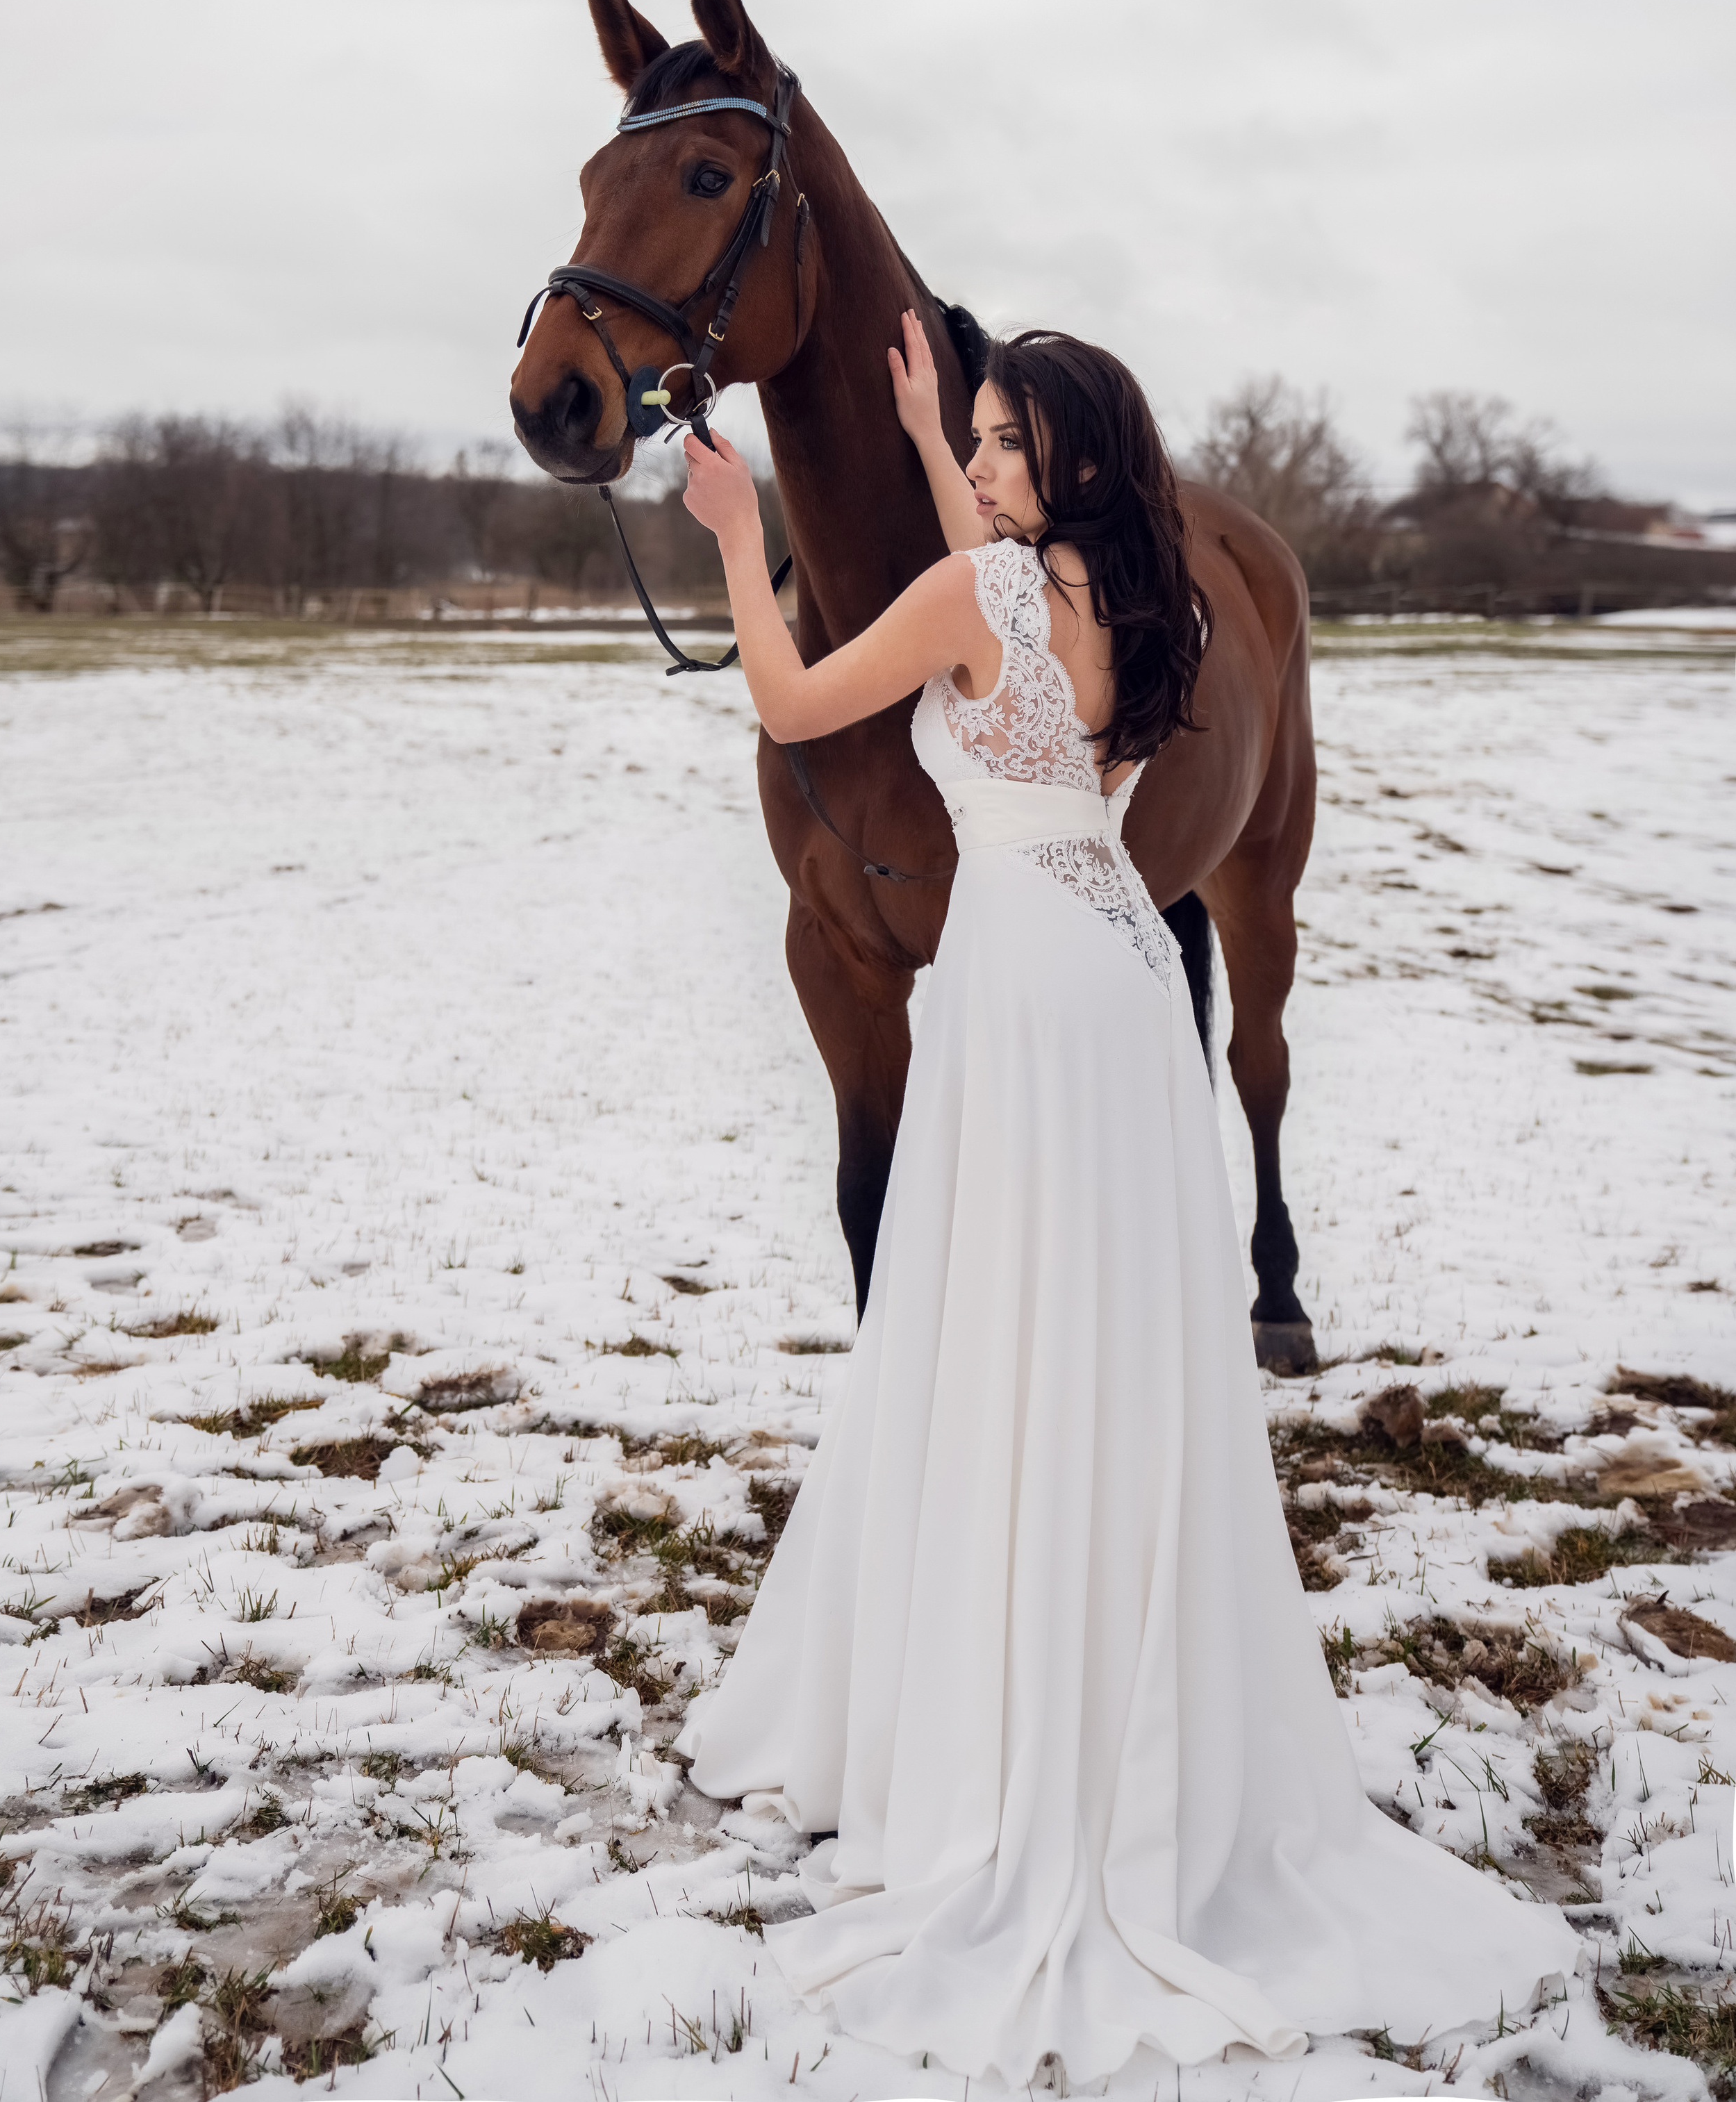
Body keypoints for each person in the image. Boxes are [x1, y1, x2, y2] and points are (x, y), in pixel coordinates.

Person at [672, 314, 1579, 2091]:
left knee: (997, 1332)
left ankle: (1005, 1715)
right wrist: (927, 431)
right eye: (977, 440)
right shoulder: (1140, 595)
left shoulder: (976, 596)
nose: (980, 465)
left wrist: (730, 528)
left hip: (1019, 1004)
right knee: (1101, 1353)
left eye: (1004, 441)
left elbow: (790, 699)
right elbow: (999, 594)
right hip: (1123, 993)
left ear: (1069, 457)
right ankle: (1107, 1681)